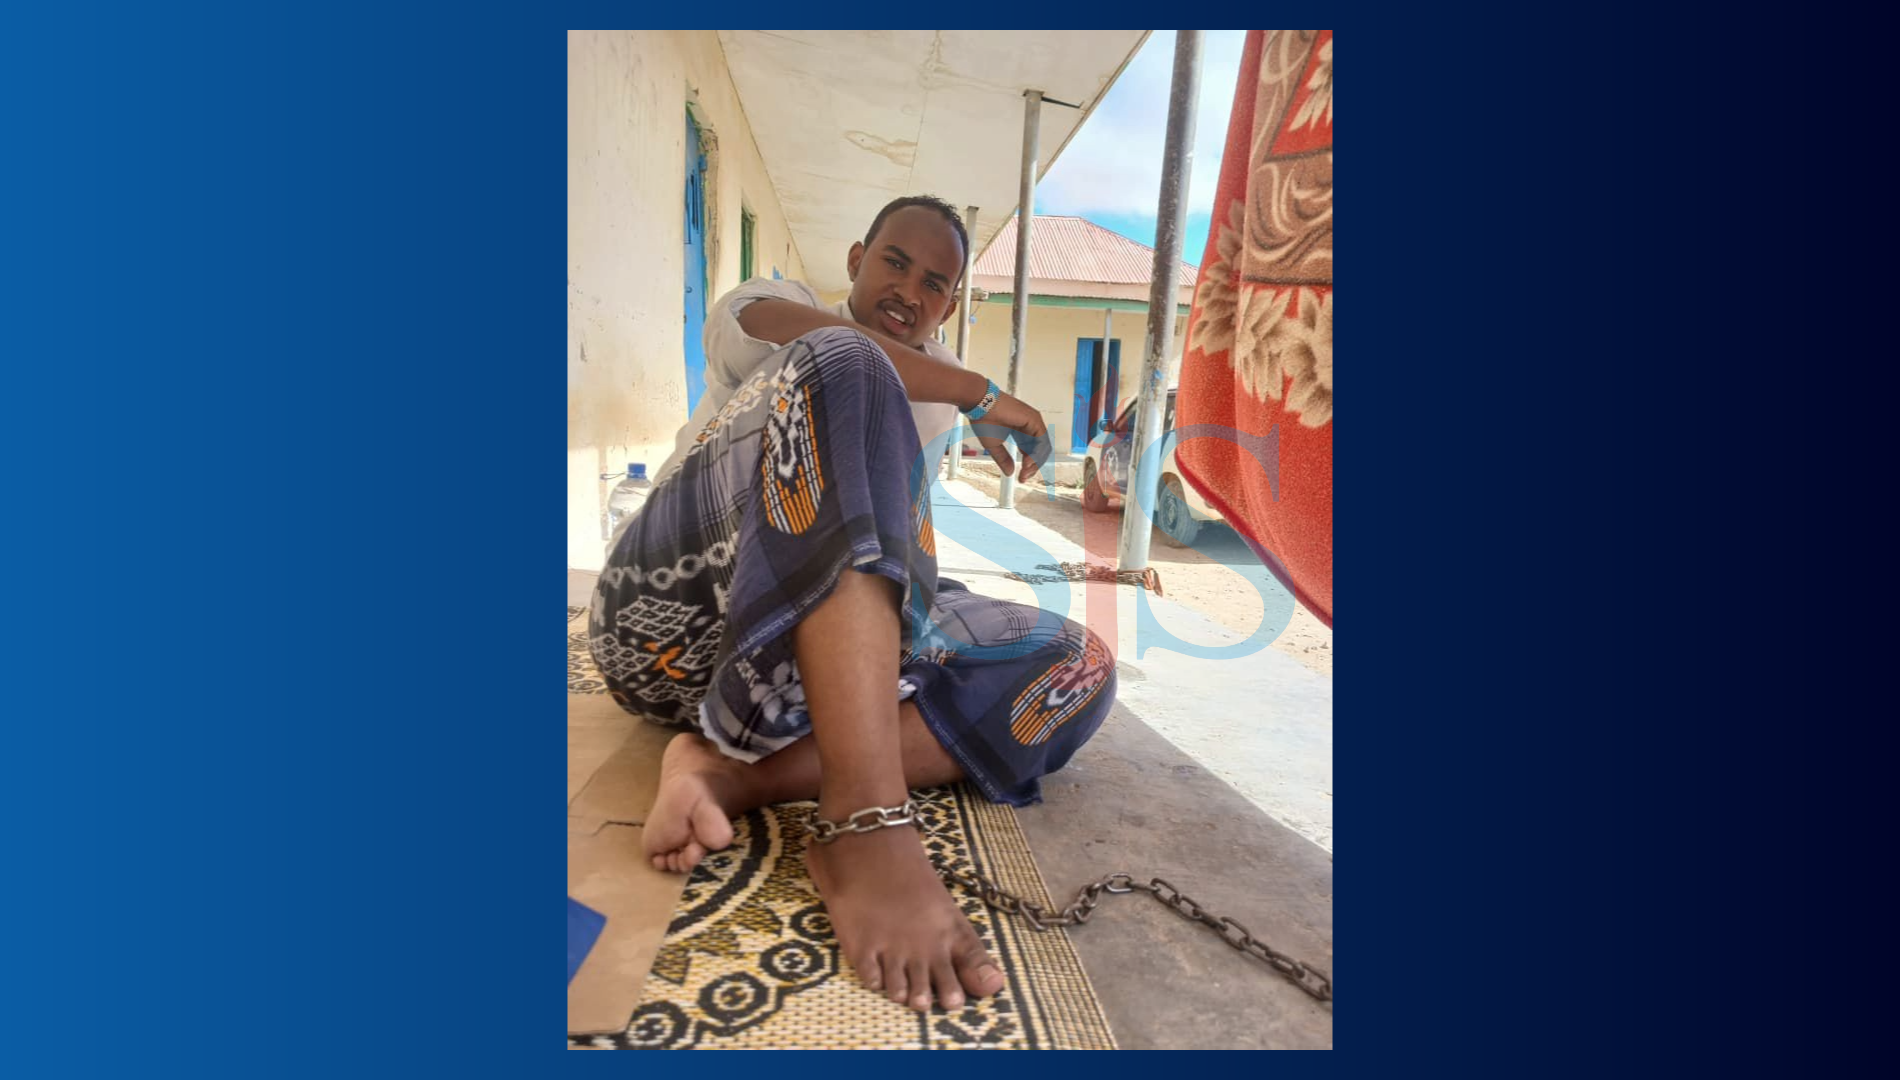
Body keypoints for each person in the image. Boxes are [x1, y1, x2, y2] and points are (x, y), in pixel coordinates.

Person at [589, 196, 1116, 1014]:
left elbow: (885, 544)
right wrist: (984, 391)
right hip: (671, 625)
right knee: (846, 359)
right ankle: (867, 815)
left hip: (793, 674)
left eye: (936, 282)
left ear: (953, 303)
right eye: (895, 262)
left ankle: (730, 776)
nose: (909, 289)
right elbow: (805, 336)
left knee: (1070, 666)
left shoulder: (936, 401)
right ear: (856, 258)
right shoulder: (771, 304)